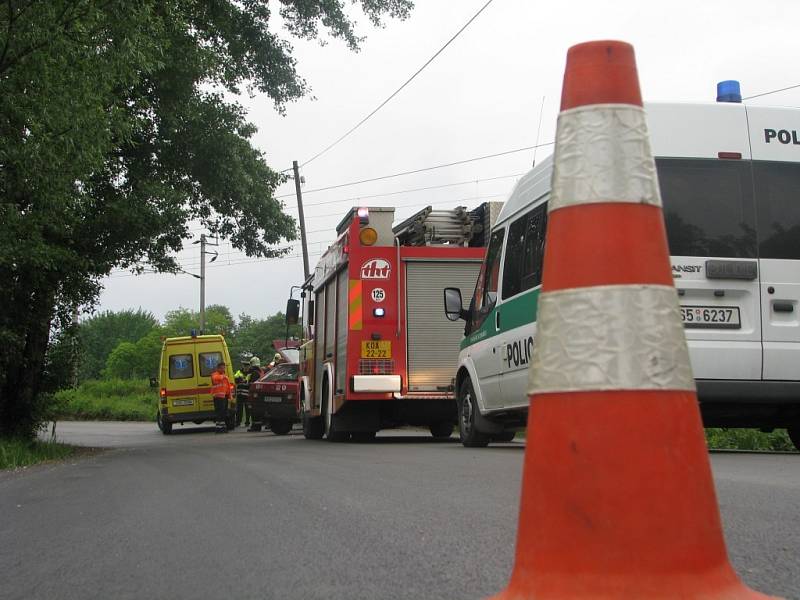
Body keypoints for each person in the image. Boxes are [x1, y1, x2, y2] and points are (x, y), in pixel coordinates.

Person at [211, 361, 232, 433]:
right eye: (222, 368)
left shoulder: (224, 376)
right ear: (218, 368)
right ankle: (219, 428)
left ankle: (222, 427)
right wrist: (223, 376)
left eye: (224, 368)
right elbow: (216, 378)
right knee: (219, 412)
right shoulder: (215, 374)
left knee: (224, 412)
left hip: (224, 396)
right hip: (218, 396)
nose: (224, 369)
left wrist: (229, 396)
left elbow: (228, 387)